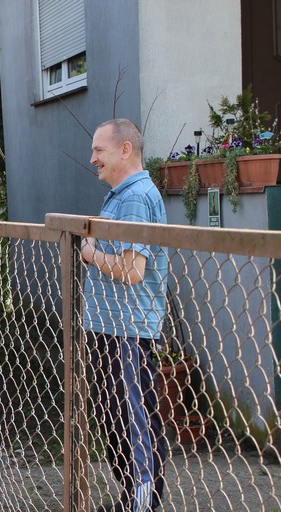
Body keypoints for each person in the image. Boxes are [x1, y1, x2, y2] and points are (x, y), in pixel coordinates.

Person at [80, 119, 168, 512]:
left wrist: (90, 254)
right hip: (113, 326)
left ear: (125, 149)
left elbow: (132, 271)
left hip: (127, 329)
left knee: (132, 422)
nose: (93, 158)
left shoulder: (134, 198)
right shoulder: (121, 195)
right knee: (115, 419)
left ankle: (142, 503)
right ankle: (132, 498)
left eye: (99, 150)